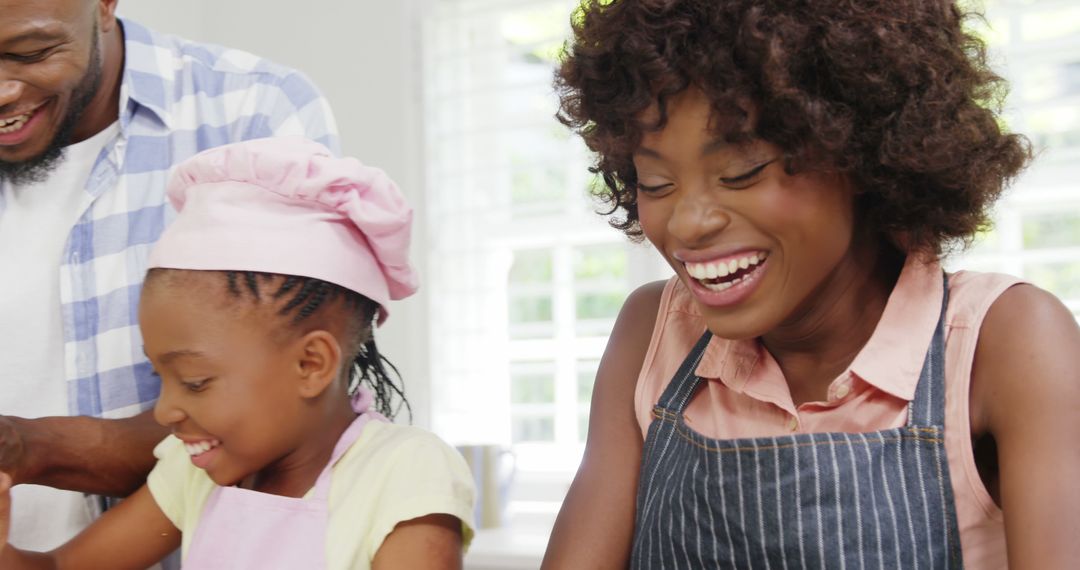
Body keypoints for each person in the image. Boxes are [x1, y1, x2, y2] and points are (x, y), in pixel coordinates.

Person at [542, 1, 1080, 568]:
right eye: (656, 181)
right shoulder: (654, 331)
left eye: (741, 172)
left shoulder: (1006, 341)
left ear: (866, 155)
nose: (687, 223)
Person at [0, 137, 476, 569]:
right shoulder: (195, 472)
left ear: (311, 364)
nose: (164, 410)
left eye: (194, 381)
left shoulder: (404, 471)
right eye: (159, 376)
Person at [0, 0, 338, 552]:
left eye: (31, 53)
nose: (2, 91)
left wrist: (31, 446)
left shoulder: (250, 112)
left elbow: (282, 412)